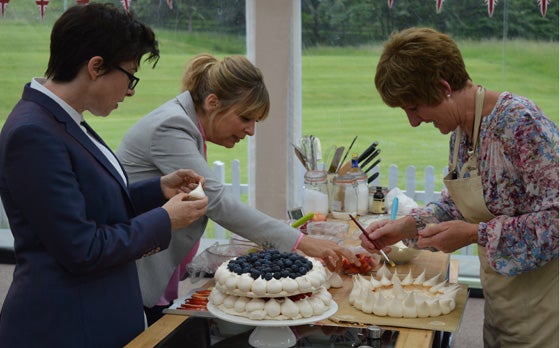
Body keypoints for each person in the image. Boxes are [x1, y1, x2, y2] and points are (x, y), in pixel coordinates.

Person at [0, 3, 209, 347]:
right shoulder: (33, 132)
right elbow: (81, 249)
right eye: (130, 75)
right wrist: (163, 220)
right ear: (96, 67)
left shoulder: (64, 119)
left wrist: (158, 190)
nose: (131, 91)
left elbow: (91, 202)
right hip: (64, 326)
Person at [117, 53, 359, 324]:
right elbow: (216, 201)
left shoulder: (184, 121)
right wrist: (301, 242)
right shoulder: (171, 126)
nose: (251, 131)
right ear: (212, 103)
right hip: (136, 276)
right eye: (245, 118)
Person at [361, 27, 558, 347]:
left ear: (443, 88)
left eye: (413, 108)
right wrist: (403, 227)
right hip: (503, 304)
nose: (413, 121)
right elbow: (457, 205)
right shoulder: (462, 133)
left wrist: (474, 235)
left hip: (545, 311)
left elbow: (556, 221)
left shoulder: (520, 124)